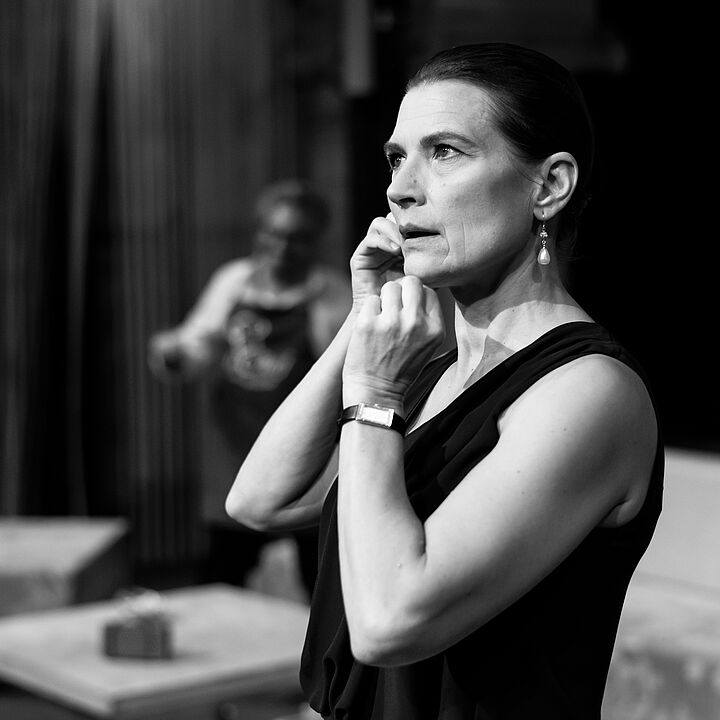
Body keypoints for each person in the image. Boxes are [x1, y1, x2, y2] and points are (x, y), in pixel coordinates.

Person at [225, 43, 663, 719]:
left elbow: (390, 622)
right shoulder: (428, 368)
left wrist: (374, 398)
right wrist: (364, 318)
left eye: (445, 152)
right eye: (396, 158)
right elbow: (259, 500)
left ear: (549, 186)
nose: (400, 188)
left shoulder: (588, 391)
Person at [148, 179, 351, 596]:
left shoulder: (332, 295)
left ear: (316, 241)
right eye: (274, 233)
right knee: (225, 567)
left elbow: (346, 371)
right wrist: (174, 354)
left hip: (305, 452)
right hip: (233, 444)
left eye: (297, 238)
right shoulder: (234, 282)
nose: (282, 247)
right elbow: (198, 345)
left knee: (317, 573)